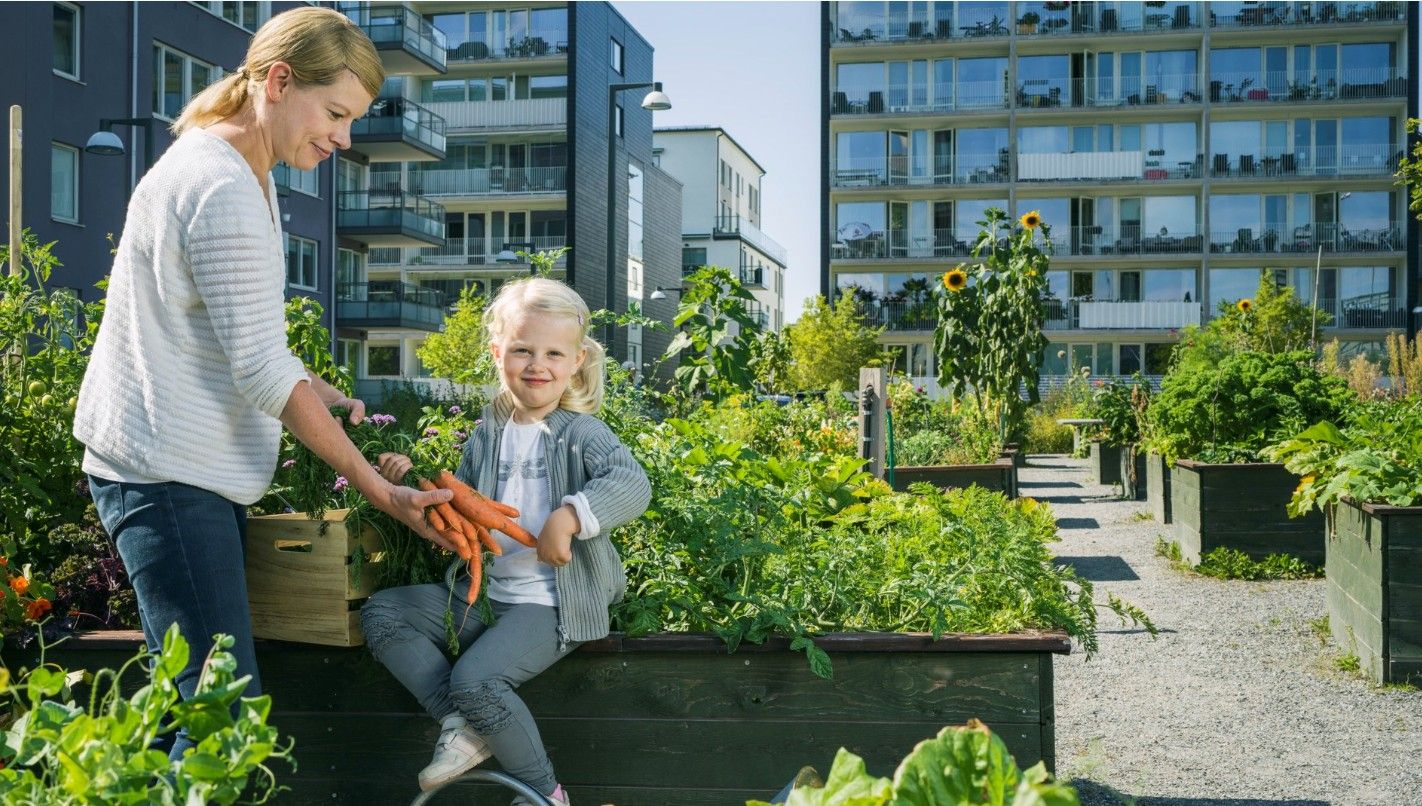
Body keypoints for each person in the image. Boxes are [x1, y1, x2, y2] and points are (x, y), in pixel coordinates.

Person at [72, 6, 453, 761]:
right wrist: (380, 490)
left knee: (183, 709)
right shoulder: (223, 186)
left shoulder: (244, 169)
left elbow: (235, 333)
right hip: (166, 479)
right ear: (279, 81)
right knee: (223, 722)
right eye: (335, 113)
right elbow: (260, 370)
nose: (344, 138)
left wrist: (319, 387)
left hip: (169, 470)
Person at [361, 277, 651, 803]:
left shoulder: (581, 432)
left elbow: (632, 483)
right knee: (383, 613)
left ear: (576, 361)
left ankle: (545, 795)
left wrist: (570, 516)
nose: (537, 364)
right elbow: (462, 509)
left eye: (553, 353)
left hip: (552, 603)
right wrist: (411, 484)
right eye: (522, 349)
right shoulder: (487, 431)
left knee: (477, 680)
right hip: (488, 595)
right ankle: (466, 725)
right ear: (498, 354)